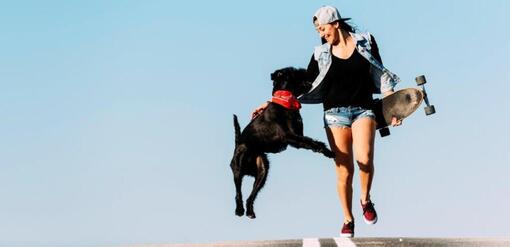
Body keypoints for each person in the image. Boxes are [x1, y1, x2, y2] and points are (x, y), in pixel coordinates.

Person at [252, 5, 402, 237]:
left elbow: (381, 75)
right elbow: (299, 84)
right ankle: (347, 218)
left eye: (323, 29)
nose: (322, 34)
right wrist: (271, 103)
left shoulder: (365, 42)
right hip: (334, 114)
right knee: (344, 170)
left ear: (335, 23)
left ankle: (365, 199)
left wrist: (395, 107)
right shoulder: (320, 54)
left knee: (365, 159)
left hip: (364, 109)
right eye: (319, 31)